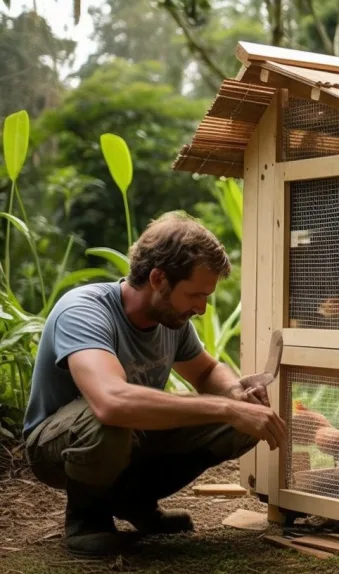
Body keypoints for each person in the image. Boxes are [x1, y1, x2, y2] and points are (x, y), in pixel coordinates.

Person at [21, 212, 287, 557]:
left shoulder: (172, 320)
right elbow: (111, 402)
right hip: (58, 445)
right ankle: (87, 518)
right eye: (195, 294)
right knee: (110, 421)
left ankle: (133, 501)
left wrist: (236, 394)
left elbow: (205, 373)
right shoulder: (84, 310)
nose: (202, 309)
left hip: (130, 435)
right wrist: (226, 407)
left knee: (245, 418)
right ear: (158, 278)